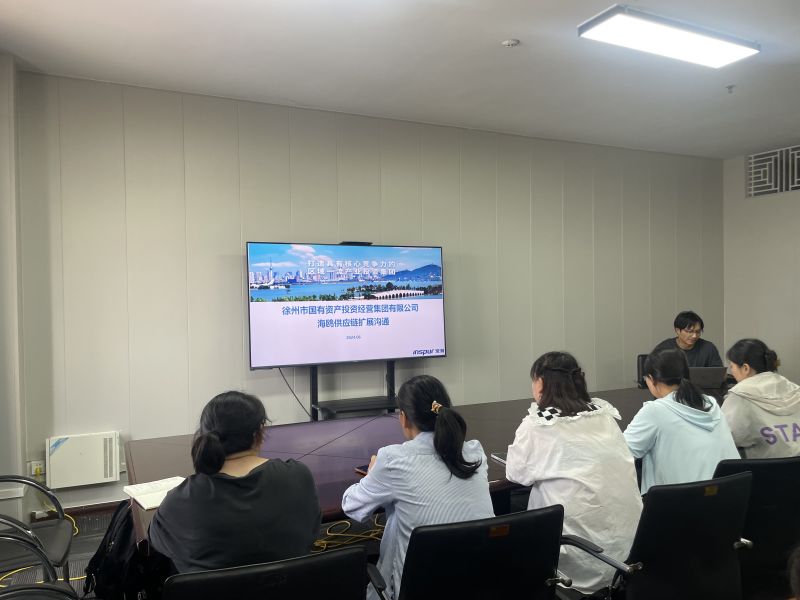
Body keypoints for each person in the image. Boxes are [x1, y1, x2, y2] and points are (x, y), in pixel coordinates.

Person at [342, 375, 493, 600]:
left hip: (413, 590)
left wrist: (373, 474)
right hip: (476, 585)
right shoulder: (474, 453)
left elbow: (352, 507)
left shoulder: (392, 459)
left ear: (403, 418)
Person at [505, 352, 642, 594]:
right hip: (629, 553)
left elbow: (515, 474)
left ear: (541, 383)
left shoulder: (539, 423)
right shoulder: (603, 414)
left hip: (580, 561)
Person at [148, 391, 321, 573]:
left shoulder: (181, 502)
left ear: (204, 437)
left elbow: (156, 542)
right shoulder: (299, 477)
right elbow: (312, 532)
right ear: (259, 434)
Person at [624, 349, 738, 494]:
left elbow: (622, 452)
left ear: (652, 379)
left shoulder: (655, 411)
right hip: (728, 495)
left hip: (681, 500)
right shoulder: (710, 403)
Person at [721, 338, 800, 458]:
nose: (731, 371)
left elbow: (726, 436)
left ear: (745, 368)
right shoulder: (793, 388)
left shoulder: (740, 395)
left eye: (732, 367)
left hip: (769, 467)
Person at [650, 310, 723, 367]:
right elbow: (651, 373)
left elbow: (720, 374)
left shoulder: (708, 348)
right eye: (689, 331)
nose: (694, 336)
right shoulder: (664, 348)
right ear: (677, 330)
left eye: (698, 331)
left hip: (701, 383)